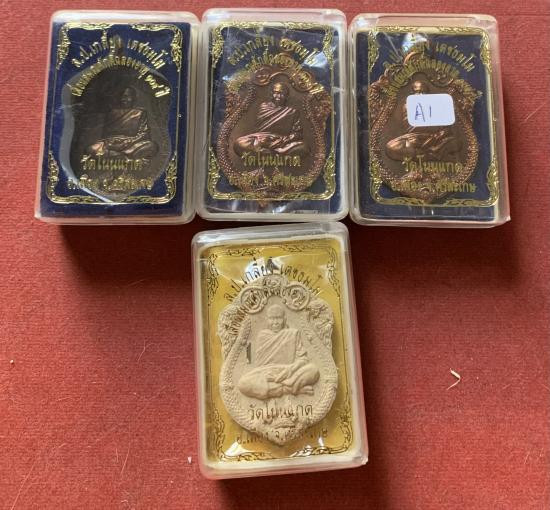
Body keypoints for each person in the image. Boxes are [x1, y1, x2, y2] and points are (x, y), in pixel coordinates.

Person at [238, 304, 320, 400]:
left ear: (284, 319)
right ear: (267, 320)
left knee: (313, 370)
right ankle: (289, 389)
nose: (275, 322)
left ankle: (284, 386)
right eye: (272, 319)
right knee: (242, 383)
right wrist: (266, 376)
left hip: (289, 372)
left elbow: (303, 359)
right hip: (266, 373)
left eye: (278, 318)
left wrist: (290, 370)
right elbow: (258, 364)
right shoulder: (262, 335)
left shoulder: (292, 334)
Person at [385, 79, 461, 163]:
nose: (421, 95)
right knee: (390, 147)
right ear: (412, 94)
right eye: (418, 92)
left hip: (434, 139)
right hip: (413, 138)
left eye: (423, 92)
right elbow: (414, 126)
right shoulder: (408, 106)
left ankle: (422, 155)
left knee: (457, 142)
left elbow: (447, 129)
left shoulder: (436, 105)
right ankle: (430, 154)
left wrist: (437, 136)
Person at [233, 81, 307, 157]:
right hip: (261, 139)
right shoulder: (264, 106)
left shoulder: (292, 111)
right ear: (272, 94)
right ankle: (274, 153)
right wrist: (262, 140)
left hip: (280, 141)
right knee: (239, 143)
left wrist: (284, 140)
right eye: (276, 93)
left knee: (303, 147)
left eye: (282, 93)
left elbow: (298, 133)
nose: (278, 96)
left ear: (286, 96)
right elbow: (258, 129)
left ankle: (265, 153)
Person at [86, 87, 158, 160]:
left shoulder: (140, 113)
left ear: (134, 98)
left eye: (127, 96)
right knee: (90, 149)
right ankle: (124, 157)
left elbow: (144, 134)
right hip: (111, 144)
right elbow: (105, 135)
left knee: (151, 146)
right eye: (121, 96)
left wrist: (126, 143)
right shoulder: (112, 113)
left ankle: (117, 156)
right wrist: (112, 144)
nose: (123, 99)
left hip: (131, 144)